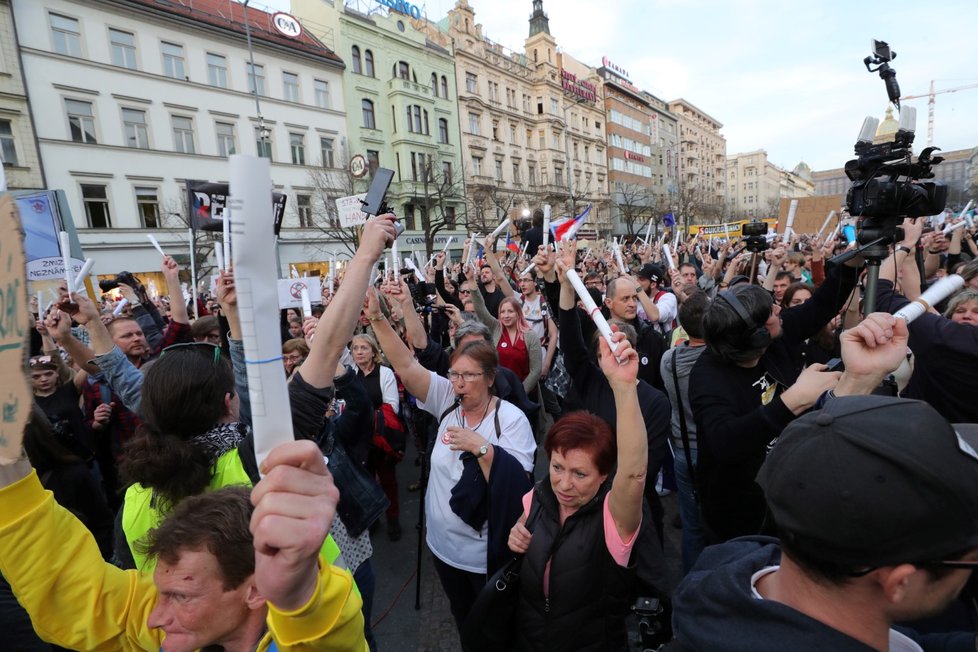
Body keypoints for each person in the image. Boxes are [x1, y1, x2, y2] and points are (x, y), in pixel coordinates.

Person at [668, 316, 978, 652]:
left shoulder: (745, 573)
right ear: (899, 582)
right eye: (970, 560)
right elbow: (727, 442)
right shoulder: (709, 374)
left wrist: (861, 377)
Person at [0, 439, 369, 651]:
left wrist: (300, 593)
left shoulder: (305, 637)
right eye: (162, 593)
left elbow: (322, 638)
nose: (157, 617)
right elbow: (75, 593)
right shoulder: (186, 625)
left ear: (255, 590)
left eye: (180, 596)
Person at [366, 281, 536, 632]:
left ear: (490, 378)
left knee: (492, 628)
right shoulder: (445, 400)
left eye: (468, 376)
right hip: (443, 550)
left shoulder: (511, 421)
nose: (457, 382)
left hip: (484, 557)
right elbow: (407, 366)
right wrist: (378, 320)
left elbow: (519, 487)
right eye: (454, 374)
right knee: (463, 621)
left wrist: (482, 448)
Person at [689, 253, 861, 543]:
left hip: (788, 491)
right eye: (771, 312)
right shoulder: (707, 376)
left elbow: (819, 308)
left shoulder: (775, 335)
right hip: (739, 513)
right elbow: (725, 441)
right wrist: (794, 400)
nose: (779, 311)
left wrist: (849, 266)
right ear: (755, 336)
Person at [507, 328, 647, 651]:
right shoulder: (539, 495)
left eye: (580, 473)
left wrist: (624, 388)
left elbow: (634, 474)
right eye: (557, 467)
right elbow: (524, 525)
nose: (564, 484)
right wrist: (516, 532)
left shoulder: (613, 520)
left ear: (603, 476)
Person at [659, 291, 710, 574]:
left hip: (682, 452)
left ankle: (692, 581)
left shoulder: (669, 359)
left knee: (691, 525)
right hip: (712, 451)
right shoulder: (718, 359)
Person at [350, 333, 404, 541]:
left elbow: (392, 406)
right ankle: (373, 519)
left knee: (388, 480)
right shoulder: (351, 373)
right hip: (359, 440)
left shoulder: (385, 373)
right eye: (356, 349)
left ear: (374, 352)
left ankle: (393, 519)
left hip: (380, 438)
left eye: (364, 348)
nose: (359, 352)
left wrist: (364, 417)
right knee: (366, 481)